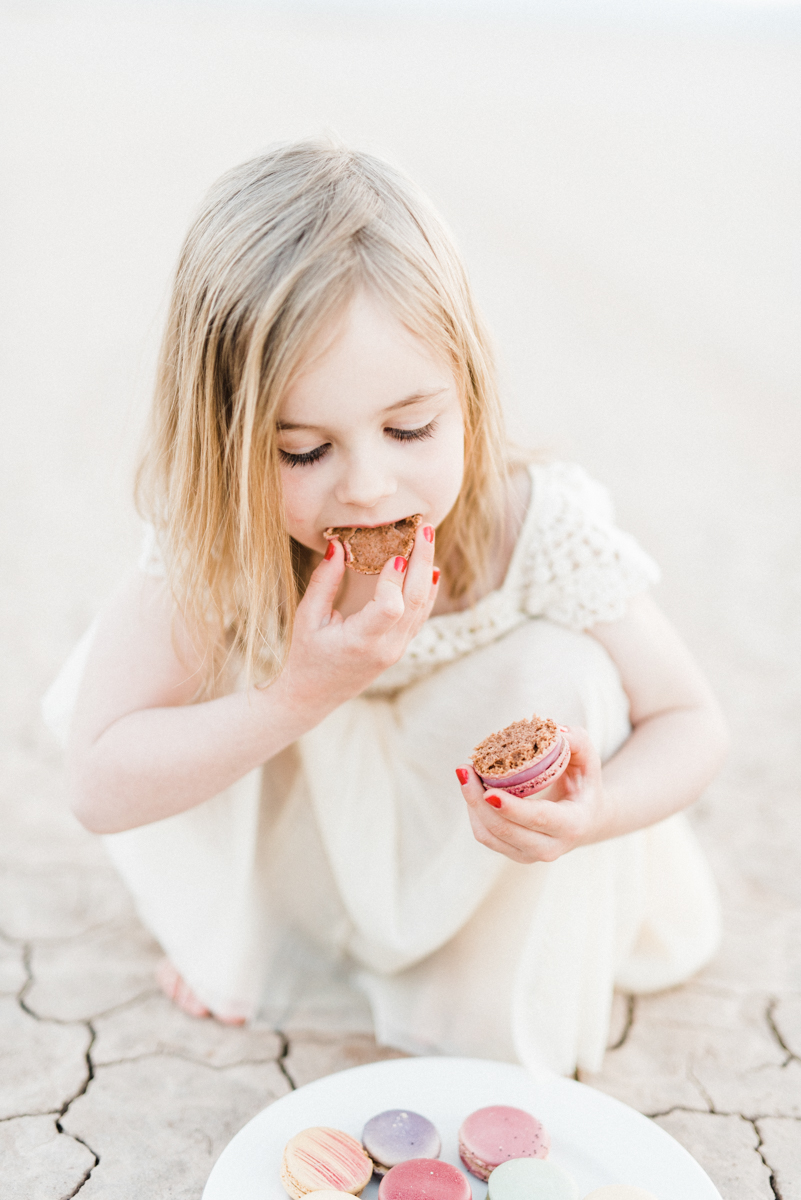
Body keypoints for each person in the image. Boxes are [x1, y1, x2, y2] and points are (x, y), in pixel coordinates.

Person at [42, 140, 728, 1077]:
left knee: (569, 672)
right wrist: (295, 694)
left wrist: (596, 807)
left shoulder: (529, 527)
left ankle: (462, 988)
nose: (368, 487)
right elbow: (98, 780)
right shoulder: (222, 542)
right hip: (308, 841)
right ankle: (263, 939)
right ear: (227, 438)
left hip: (463, 856)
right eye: (300, 451)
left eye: (409, 430)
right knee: (213, 694)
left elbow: (689, 721)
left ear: (469, 399)